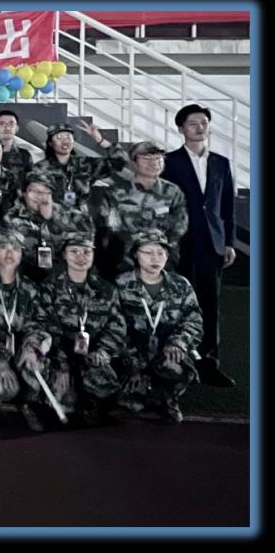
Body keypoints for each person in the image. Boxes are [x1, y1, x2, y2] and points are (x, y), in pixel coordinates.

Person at [161, 103, 237, 387]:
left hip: (213, 244)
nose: (200, 127)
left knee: (209, 303)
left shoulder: (221, 163)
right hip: (181, 243)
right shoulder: (169, 161)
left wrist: (228, 242)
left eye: (204, 122)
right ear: (181, 128)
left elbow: (227, 206)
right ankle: (179, 361)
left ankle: (209, 362)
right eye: (193, 123)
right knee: (179, 304)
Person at [19, 231, 126, 426]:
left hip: (90, 352)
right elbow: (38, 324)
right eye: (74, 251)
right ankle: (36, 403)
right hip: (58, 352)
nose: (80, 257)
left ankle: (90, 402)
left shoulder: (106, 289)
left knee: (107, 386)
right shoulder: (50, 286)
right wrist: (60, 363)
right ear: (64, 255)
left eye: (86, 252)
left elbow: (116, 327)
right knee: (62, 399)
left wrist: (103, 351)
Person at [114, 230, 204, 423]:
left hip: (165, 351)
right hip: (131, 354)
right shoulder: (121, 285)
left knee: (177, 365)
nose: (155, 258)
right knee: (119, 394)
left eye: (161, 253)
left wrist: (178, 343)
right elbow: (113, 328)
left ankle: (166, 397)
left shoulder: (181, 285)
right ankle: (137, 392)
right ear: (136, 254)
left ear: (167, 256)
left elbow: (193, 321)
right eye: (148, 252)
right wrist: (134, 364)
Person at [0, 230, 44, 431]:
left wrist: (32, 348)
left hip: (20, 349)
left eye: (15, 249)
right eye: (3, 248)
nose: (9, 253)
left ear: (21, 254)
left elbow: (37, 324)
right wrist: (1, 363)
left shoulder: (30, 288)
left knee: (38, 361)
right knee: (2, 390)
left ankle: (29, 403)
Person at [95, 140, 188, 280]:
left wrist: (159, 245)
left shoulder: (172, 191)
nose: (154, 164)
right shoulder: (116, 192)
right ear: (133, 162)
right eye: (146, 159)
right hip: (123, 260)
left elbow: (180, 225)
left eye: (158, 159)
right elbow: (110, 223)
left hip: (160, 260)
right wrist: (132, 242)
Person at [2, 169, 93, 282]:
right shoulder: (11, 218)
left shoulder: (72, 215)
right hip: (26, 279)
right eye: (34, 191)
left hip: (65, 278)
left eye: (45, 191)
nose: (40, 196)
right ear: (24, 193)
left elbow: (84, 243)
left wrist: (51, 218)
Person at [33, 121, 128, 212]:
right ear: (50, 143)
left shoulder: (85, 164)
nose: (65, 141)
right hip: (51, 217)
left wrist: (100, 140)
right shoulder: (39, 169)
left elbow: (119, 161)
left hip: (80, 218)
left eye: (68, 137)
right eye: (59, 137)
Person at [0, 110, 33, 179]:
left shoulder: (25, 155)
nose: (7, 128)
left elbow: (31, 181)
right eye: (2, 124)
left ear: (17, 128)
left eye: (11, 124)